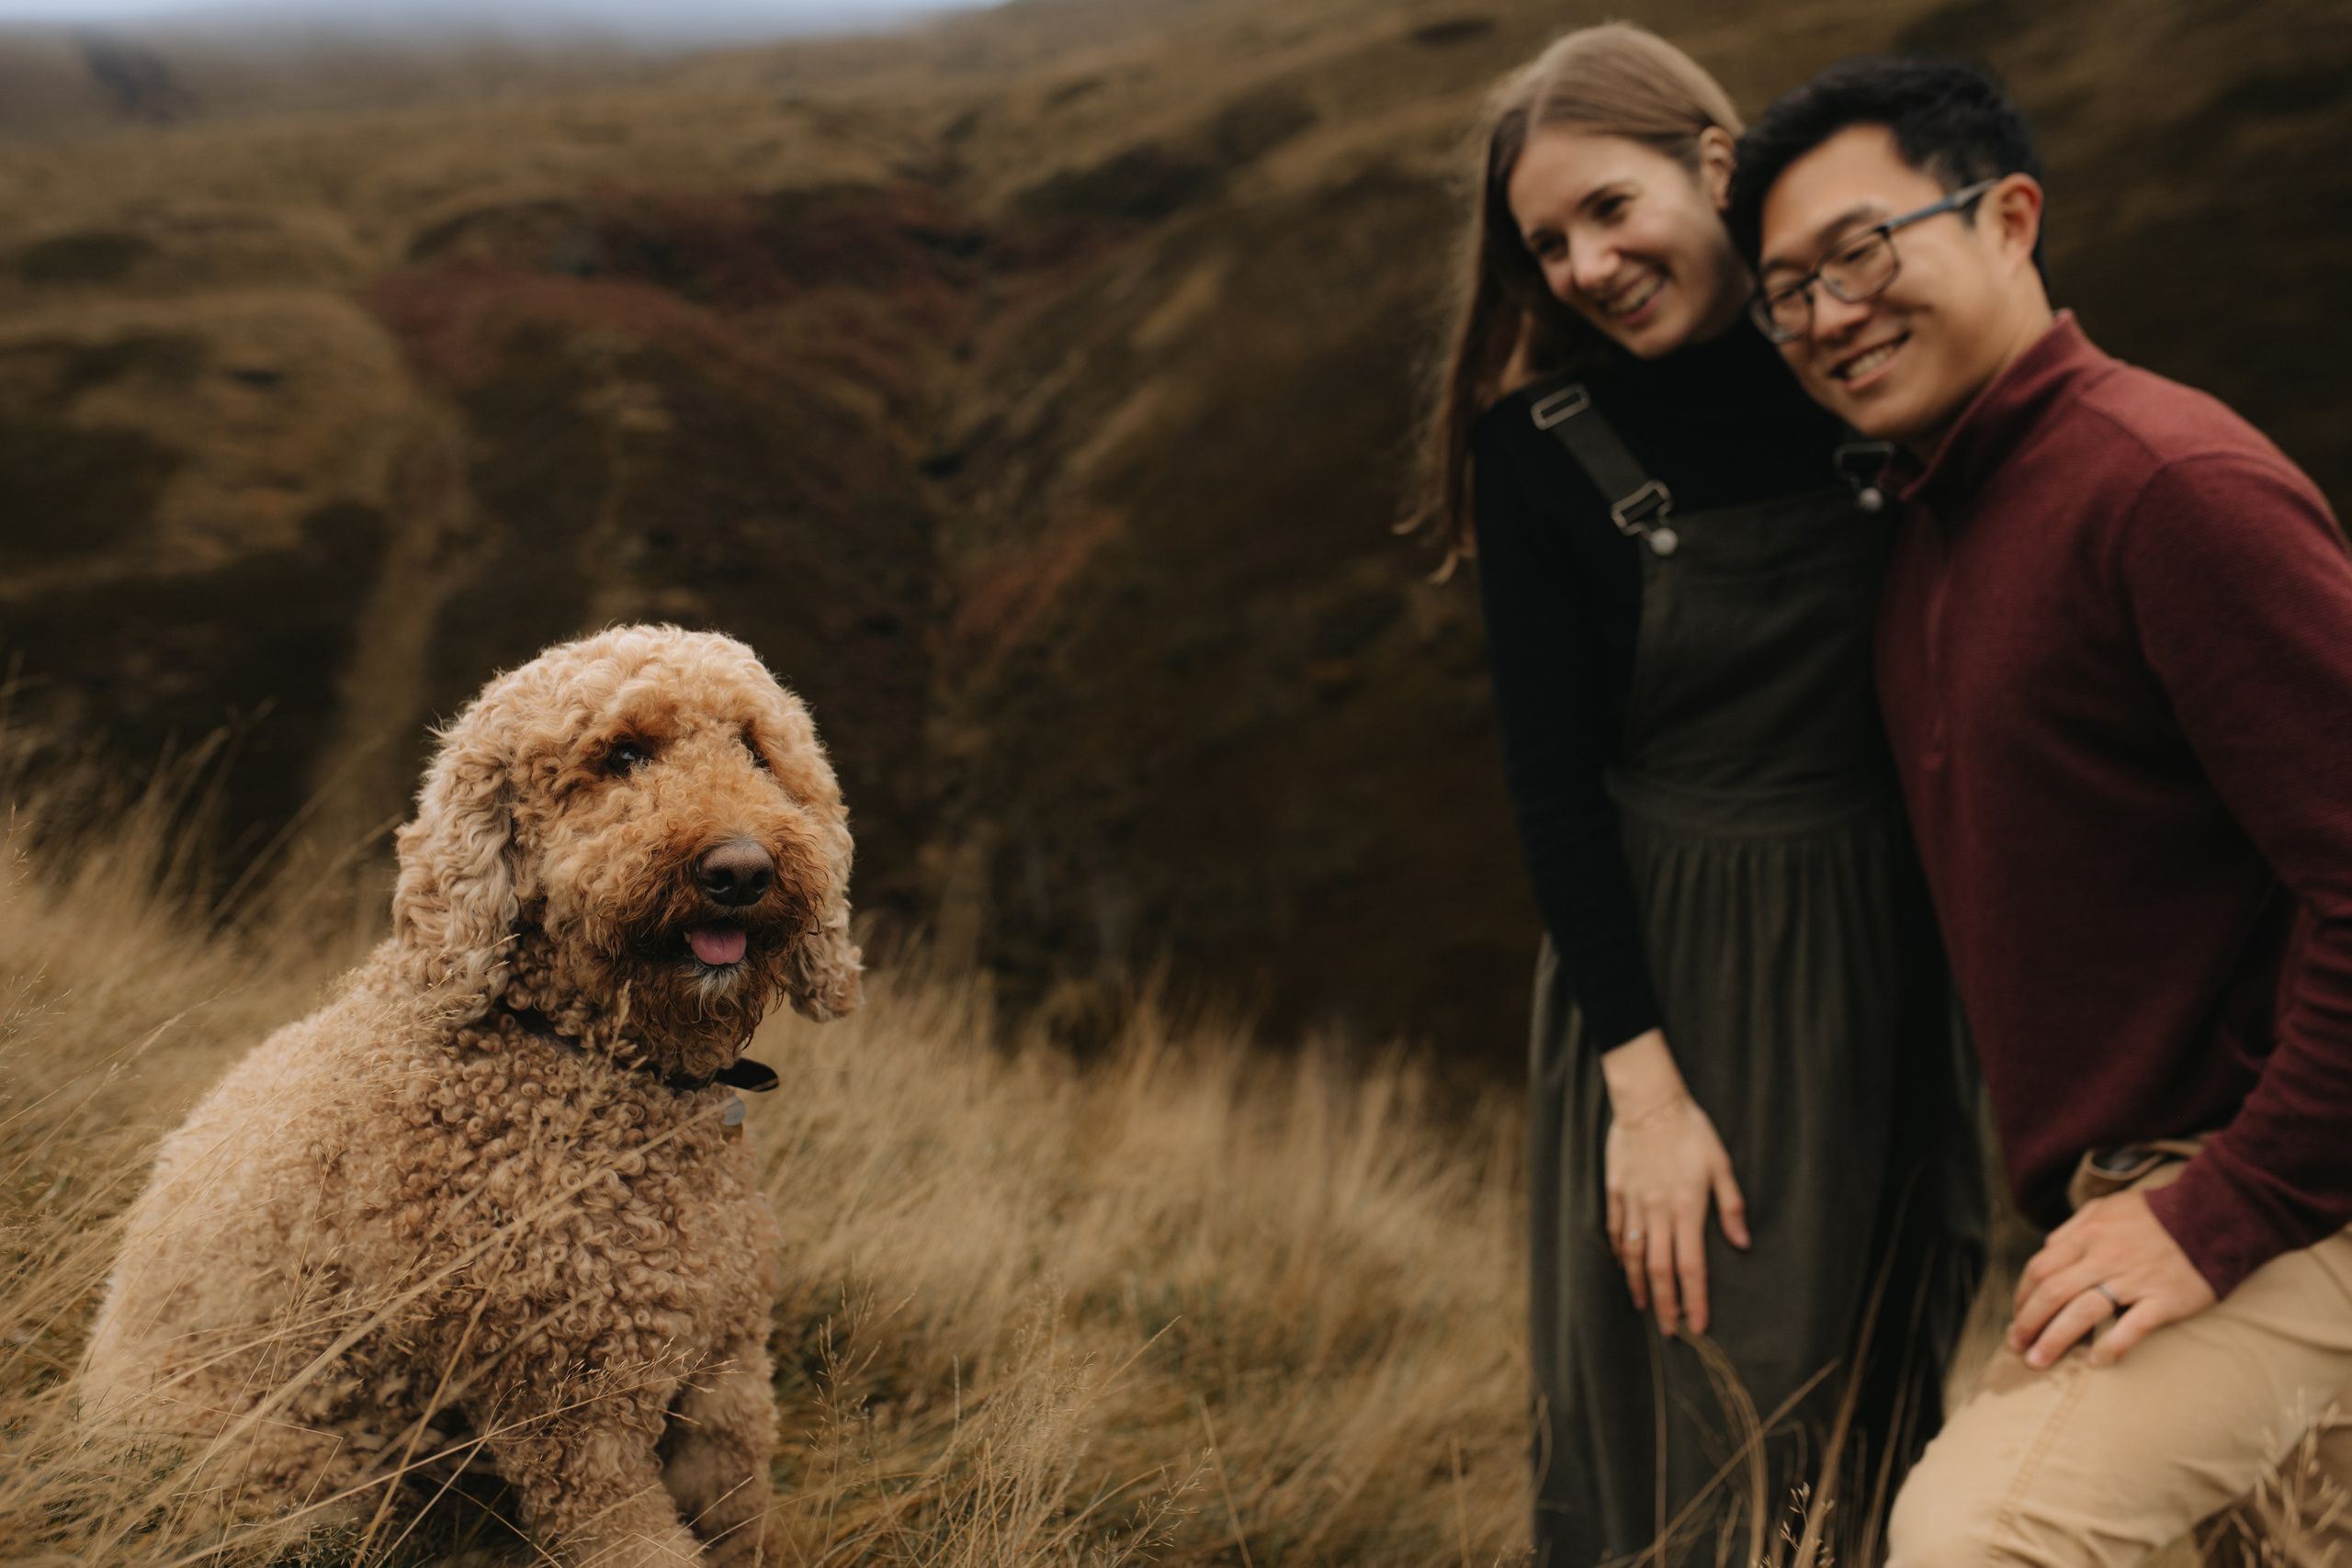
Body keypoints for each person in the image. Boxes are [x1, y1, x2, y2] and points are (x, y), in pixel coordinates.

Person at [1727, 57, 2352, 1567]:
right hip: (2151, 1194)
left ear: (2010, 217)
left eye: (1863, 250)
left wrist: (2224, 1207)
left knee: (1975, 1537)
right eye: (1786, 291)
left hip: (2292, 1186)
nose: (1826, 315)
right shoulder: (1938, 531)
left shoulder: (2164, 485)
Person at [1408, 26, 1984, 1563]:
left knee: (1886, 1384)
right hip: (1679, 975)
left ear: (1712, 165)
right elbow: (1552, 784)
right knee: (1695, 1408)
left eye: (1609, 209)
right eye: (1547, 245)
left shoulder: (1873, 379)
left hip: (1894, 947)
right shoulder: (1537, 453)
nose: (1586, 266)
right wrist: (1643, 1094)